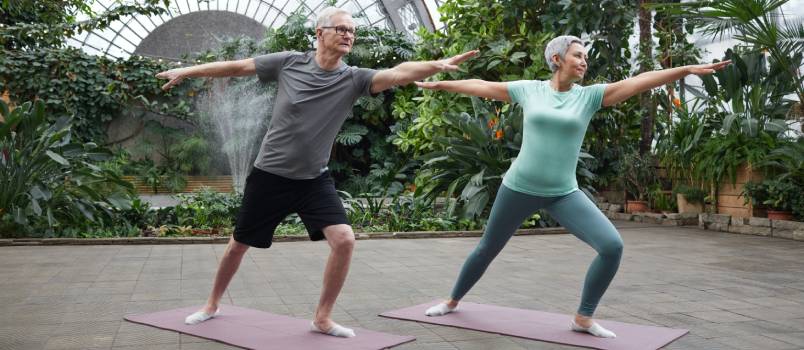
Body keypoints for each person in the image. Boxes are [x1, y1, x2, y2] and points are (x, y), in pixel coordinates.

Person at [155, 7, 477, 338]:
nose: (348, 35)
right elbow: (239, 67)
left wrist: (436, 65)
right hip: (270, 176)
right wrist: (191, 71)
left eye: (352, 31)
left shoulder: (354, 78)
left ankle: (322, 317)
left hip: (313, 179)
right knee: (238, 244)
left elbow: (397, 73)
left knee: (344, 240)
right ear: (319, 33)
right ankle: (211, 305)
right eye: (341, 29)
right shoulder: (290, 62)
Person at [417, 35, 730, 338]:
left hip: (563, 193)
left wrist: (685, 69)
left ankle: (584, 317)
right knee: (487, 248)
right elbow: (482, 86)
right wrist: (441, 83)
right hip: (518, 187)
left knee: (612, 246)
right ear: (557, 59)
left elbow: (640, 81)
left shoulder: (589, 96)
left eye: (585, 57)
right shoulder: (530, 90)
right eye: (578, 55)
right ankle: (452, 301)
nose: (584, 62)